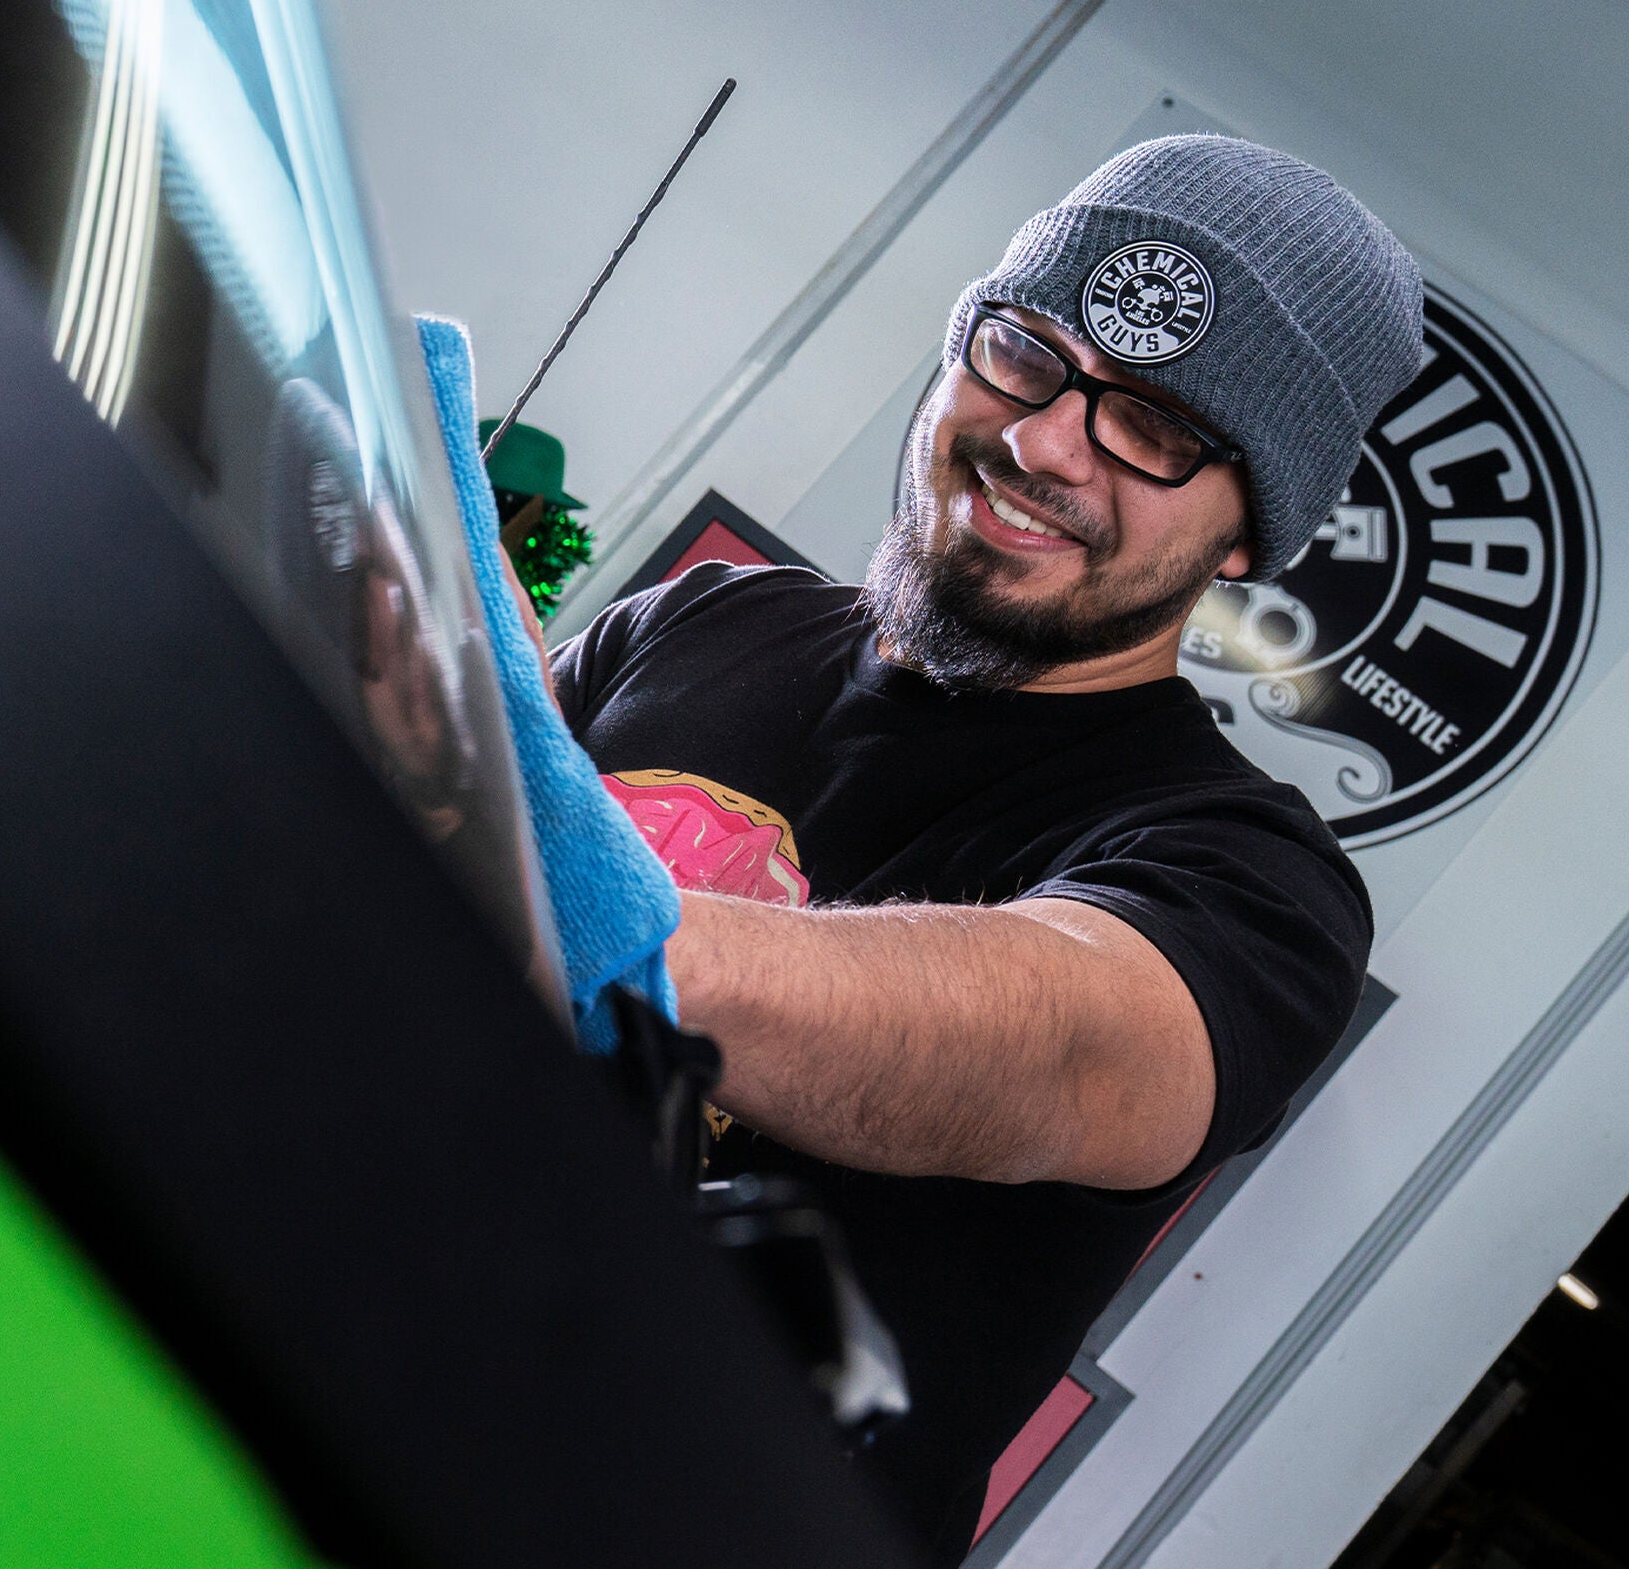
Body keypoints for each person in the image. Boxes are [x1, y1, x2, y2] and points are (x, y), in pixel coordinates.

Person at [550, 134, 1425, 1561]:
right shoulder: (711, 618)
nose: (1044, 443)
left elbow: (1059, 1049)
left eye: (1156, 427)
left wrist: (558, 883)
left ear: (1248, 536)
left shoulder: (1256, 886)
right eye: (1027, 353)